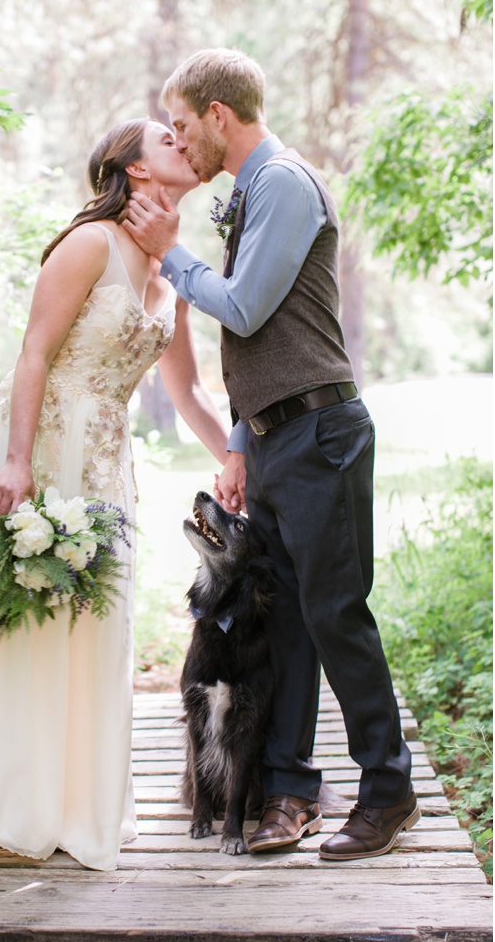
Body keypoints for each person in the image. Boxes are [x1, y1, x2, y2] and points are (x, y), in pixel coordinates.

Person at [0, 119, 233, 872]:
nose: (183, 143)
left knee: (93, 623)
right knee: (16, 623)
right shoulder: (88, 245)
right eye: (167, 138)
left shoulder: (172, 268)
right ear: (134, 170)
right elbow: (34, 350)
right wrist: (15, 462)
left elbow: (189, 389)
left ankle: (73, 803)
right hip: (34, 443)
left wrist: (234, 455)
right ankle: (5, 798)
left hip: (102, 461)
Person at [125, 48, 417, 859]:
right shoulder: (252, 192)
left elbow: (247, 310)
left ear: (221, 114)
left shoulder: (284, 182)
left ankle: (388, 791)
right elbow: (262, 342)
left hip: (322, 434)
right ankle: (288, 792)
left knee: (335, 614)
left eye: (184, 126)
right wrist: (244, 440)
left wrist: (171, 253)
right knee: (285, 618)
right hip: (281, 434)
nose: (180, 145)